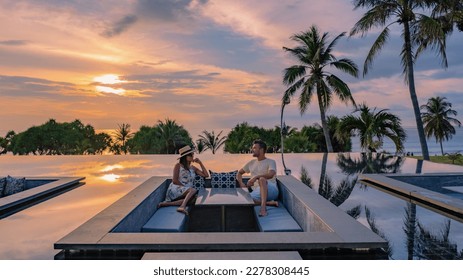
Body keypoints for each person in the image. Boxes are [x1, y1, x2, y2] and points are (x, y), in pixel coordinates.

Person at [158, 145, 209, 215]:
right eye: (190, 155)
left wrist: (200, 163)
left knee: (194, 199)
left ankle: (167, 204)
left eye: (192, 154)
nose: (192, 156)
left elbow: (206, 175)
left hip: (187, 191)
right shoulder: (178, 165)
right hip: (176, 188)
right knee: (193, 190)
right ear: (185, 157)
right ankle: (182, 206)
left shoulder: (193, 168)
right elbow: (174, 180)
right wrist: (185, 189)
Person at [237, 139, 279, 217]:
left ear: (262, 150)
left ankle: (263, 209)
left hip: (270, 189)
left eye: (254, 148)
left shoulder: (271, 161)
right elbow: (239, 173)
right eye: (253, 148)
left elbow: (271, 174)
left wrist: (256, 177)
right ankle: (268, 203)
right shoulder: (251, 163)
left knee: (262, 179)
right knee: (244, 199)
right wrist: (241, 183)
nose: (252, 150)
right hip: (258, 192)